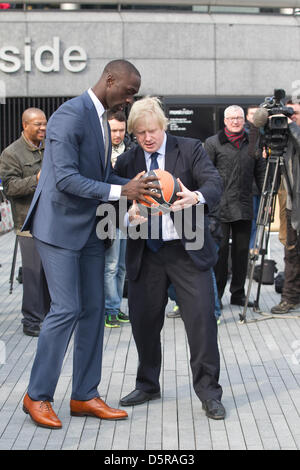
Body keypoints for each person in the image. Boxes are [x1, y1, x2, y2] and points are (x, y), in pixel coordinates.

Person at [20, 60, 159, 429]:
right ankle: (37, 396)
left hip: (91, 229)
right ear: (109, 80)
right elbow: (65, 178)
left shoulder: (99, 117)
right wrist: (120, 189)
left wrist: (135, 185)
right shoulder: (69, 115)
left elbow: (97, 176)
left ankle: (84, 394)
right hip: (59, 228)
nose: (129, 101)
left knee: (94, 311)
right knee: (66, 310)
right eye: (128, 92)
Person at [114, 96, 226, 420]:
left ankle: (209, 392)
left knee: (202, 323)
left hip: (186, 251)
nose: (147, 138)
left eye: (152, 130)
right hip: (146, 253)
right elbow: (112, 206)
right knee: (144, 324)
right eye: (140, 133)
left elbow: (214, 183)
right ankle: (148, 384)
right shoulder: (127, 162)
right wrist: (127, 217)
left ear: (163, 126)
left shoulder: (189, 149)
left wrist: (196, 196)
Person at [205, 105, 266, 308]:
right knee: (220, 254)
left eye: (239, 118)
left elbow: (261, 172)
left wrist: (266, 198)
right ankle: (217, 295)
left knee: (241, 254)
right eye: (231, 118)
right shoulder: (213, 143)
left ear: (244, 120)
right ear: (224, 121)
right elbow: (206, 174)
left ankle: (238, 294)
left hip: (244, 205)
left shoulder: (253, 141)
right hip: (219, 208)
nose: (235, 121)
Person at [0, 108, 50, 337]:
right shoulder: (11, 154)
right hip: (28, 225)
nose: (43, 128)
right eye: (38, 124)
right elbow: (10, 188)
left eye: (45, 124)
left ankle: (50, 318)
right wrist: (36, 179)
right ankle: (31, 321)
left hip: (53, 222)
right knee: (33, 275)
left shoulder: (51, 147)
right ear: (25, 125)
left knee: (51, 274)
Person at [104, 110, 134, 328]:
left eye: (121, 130)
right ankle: (110, 309)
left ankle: (116, 306)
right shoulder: (100, 150)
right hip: (106, 214)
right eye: (114, 129)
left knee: (122, 265)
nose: (118, 134)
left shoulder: (131, 150)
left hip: (127, 213)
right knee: (111, 265)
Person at [271, 100, 300, 314]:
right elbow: (257, 154)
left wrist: (291, 126)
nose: (292, 117)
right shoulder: (284, 137)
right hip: (291, 203)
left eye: (295, 113)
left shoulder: (294, 133)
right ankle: (290, 297)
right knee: (290, 252)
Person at [245, 106, 261, 250]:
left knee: (255, 221)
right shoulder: (242, 135)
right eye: (251, 114)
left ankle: (252, 249)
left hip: (256, 187)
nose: (254, 117)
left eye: (256, 114)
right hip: (242, 187)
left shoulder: (263, 134)